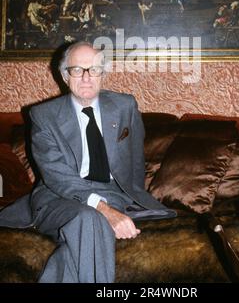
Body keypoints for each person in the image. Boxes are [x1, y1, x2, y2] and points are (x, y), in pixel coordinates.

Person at [0, 41, 176, 283]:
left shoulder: (125, 106)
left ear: (103, 74)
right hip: (56, 198)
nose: (86, 78)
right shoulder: (44, 116)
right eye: (77, 70)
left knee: (80, 237)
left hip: (113, 193)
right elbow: (57, 178)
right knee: (90, 218)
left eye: (94, 69)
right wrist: (106, 211)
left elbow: (136, 160)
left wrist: (131, 198)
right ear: (64, 75)